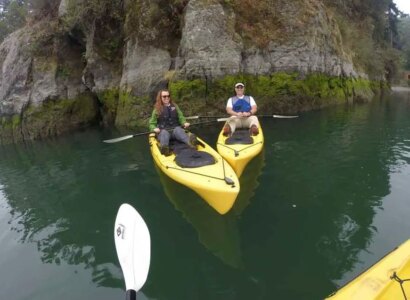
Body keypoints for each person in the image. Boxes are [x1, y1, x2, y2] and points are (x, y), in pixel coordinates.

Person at [148, 89, 196, 155]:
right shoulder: (157, 109)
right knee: (164, 133)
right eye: (164, 96)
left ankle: (191, 143)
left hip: (175, 131)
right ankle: (165, 148)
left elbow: (181, 117)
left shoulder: (175, 106)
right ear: (160, 97)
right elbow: (152, 123)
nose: (166, 98)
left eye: (168, 96)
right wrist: (154, 128)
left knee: (178, 130)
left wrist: (184, 123)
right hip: (163, 132)